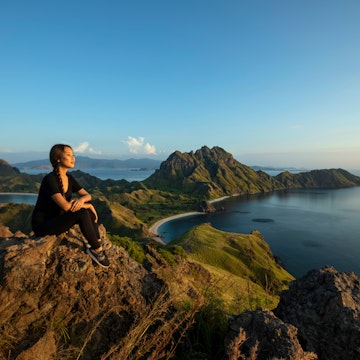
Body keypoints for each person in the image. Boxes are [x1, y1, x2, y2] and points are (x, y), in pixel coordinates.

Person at [31, 144, 110, 268]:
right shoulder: (49, 179)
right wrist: (86, 206)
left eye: (73, 155)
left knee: (87, 204)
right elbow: (66, 207)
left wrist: (85, 202)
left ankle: (95, 241)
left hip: (58, 219)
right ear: (58, 159)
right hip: (43, 225)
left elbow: (87, 195)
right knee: (83, 211)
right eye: (68, 155)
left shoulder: (69, 178)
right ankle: (97, 250)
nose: (73, 158)